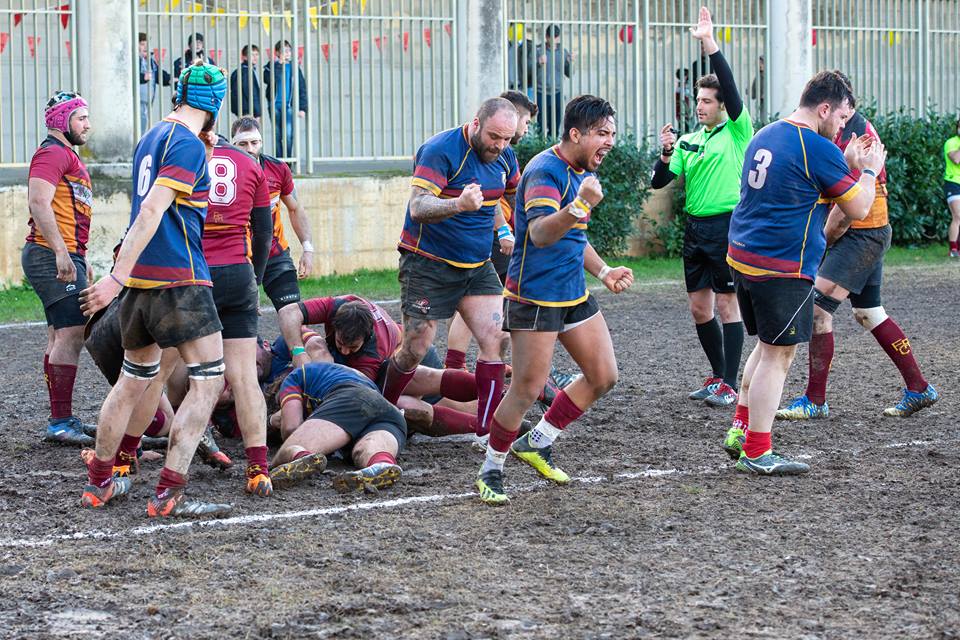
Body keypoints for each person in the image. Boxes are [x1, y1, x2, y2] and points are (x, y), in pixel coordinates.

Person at [78, 60, 233, 517]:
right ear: (216, 105)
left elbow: (143, 212)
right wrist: (113, 279)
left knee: (132, 382)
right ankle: (170, 492)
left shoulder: (152, 137)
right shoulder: (187, 144)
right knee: (209, 381)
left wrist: (124, 276)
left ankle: (100, 483)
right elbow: (151, 213)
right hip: (179, 279)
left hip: (143, 288)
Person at [720, 70, 886, 475]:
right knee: (779, 356)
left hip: (744, 259)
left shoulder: (767, 132)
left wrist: (842, 164)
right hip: (782, 267)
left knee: (764, 348)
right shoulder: (816, 146)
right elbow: (860, 209)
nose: (843, 128)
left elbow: (805, 193)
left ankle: (740, 430)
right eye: (842, 119)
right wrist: (867, 169)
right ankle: (758, 451)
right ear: (825, 108)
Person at [475, 95, 633, 505]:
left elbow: (574, 237)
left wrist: (604, 271)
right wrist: (581, 203)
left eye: (612, 134)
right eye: (602, 133)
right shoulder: (546, 171)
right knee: (526, 389)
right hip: (535, 296)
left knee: (603, 376)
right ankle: (491, 467)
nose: (609, 142)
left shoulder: (578, 172)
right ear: (575, 134)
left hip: (572, 293)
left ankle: (538, 441)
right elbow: (542, 233)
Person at [775, 109, 938, 421]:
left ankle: (815, 400)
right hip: (868, 231)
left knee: (819, 311)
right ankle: (919, 387)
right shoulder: (846, 127)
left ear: (839, 108)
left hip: (861, 234)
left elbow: (847, 208)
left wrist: (818, 243)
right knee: (868, 312)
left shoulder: (854, 133)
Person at [384, 97, 520, 438]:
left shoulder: (505, 156)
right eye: (494, 137)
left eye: (507, 139)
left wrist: (513, 228)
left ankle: (488, 431)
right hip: (428, 262)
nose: (500, 146)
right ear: (475, 124)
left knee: (496, 339)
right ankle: (382, 407)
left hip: (476, 265)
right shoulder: (440, 150)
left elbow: (510, 197)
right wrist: (459, 204)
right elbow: (418, 206)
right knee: (415, 348)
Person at [651, 7, 751, 408]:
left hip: (727, 226)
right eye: (697, 100)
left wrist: (709, 44)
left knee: (728, 304)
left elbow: (729, 83)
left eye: (707, 101)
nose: (699, 106)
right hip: (695, 230)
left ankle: (730, 381)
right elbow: (660, 181)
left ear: (723, 105)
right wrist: (665, 152)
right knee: (698, 307)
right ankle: (716, 376)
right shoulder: (690, 139)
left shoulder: (739, 131)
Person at [277, 294, 489, 436]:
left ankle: (495, 409)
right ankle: (494, 402)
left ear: (365, 338)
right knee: (315, 345)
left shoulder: (372, 352)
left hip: (413, 358)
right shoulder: (341, 305)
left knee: (413, 407)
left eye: (352, 347)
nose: (344, 351)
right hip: (395, 357)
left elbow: (358, 397)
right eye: (340, 343)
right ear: (335, 322)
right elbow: (288, 312)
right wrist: (298, 352)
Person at [443, 90, 536, 371]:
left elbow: (510, 192)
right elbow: (500, 198)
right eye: (527, 121)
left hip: (494, 235)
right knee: (484, 298)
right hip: (486, 237)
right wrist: (506, 231)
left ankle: (488, 360)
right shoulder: (475, 152)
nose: (526, 128)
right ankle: (456, 365)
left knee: (486, 300)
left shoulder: (505, 155)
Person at [202, 135, 274, 495]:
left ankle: (126, 456)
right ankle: (258, 468)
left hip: (195, 275)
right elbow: (264, 233)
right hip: (238, 271)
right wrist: (255, 278)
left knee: (163, 367)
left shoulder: (186, 155)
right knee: (244, 375)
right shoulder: (250, 163)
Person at [23, 91, 95, 446]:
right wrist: (62, 254)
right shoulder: (52, 153)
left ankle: (61, 418)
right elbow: (38, 201)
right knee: (72, 333)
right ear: (61, 121)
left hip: (65, 254)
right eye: (81, 118)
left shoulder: (66, 155)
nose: (87, 125)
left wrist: (79, 257)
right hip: (47, 253)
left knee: (60, 335)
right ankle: (61, 420)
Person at [269, 362, 406, 493]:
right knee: (365, 450)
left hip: (350, 398)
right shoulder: (338, 373)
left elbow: (290, 427)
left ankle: (303, 456)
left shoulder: (293, 378)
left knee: (286, 452)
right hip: (389, 413)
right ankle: (381, 463)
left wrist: (277, 423)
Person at [231, 117, 314, 309]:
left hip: (274, 252)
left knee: (292, 310)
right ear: (232, 144)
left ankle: (295, 341)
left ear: (261, 142)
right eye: (242, 144)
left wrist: (308, 249)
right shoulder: (222, 173)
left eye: (254, 142)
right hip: (236, 255)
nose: (250, 148)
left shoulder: (278, 169)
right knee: (239, 320)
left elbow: (295, 208)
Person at [263, 39, 308, 158]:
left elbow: (301, 88)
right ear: (277, 53)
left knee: (288, 135)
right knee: (277, 135)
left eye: (289, 50)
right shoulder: (271, 66)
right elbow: (267, 79)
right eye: (284, 51)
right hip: (274, 105)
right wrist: (278, 64)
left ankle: (288, 160)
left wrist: (302, 108)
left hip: (289, 107)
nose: (287, 53)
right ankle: (279, 161)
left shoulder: (295, 68)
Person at [536, 25, 573, 138]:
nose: (553, 40)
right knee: (541, 123)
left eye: (555, 37)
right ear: (546, 37)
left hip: (557, 91)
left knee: (555, 123)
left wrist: (569, 62)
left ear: (558, 37)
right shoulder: (538, 50)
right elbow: (529, 71)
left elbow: (569, 74)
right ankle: (539, 143)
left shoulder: (563, 51)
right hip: (541, 90)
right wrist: (538, 63)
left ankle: (553, 142)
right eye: (550, 37)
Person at [229, 44, 262, 119]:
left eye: (257, 54)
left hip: (241, 109)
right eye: (252, 54)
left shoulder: (238, 71)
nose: (255, 57)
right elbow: (251, 93)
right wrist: (257, 112)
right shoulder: (247, 71)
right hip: (248, 110)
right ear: (244, 57)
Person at [138, 33, 162, 131]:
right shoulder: (132, 59)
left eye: (147, 44)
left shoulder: (150, 60)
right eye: (142, 44)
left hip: (147, 101)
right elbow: (130, 75)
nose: (145, 47)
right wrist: (143, 77)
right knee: (139, 128)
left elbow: (160, 75)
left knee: (144, 127)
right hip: (137, 100)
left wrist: (172, 78)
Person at [943, 119, 960, 258]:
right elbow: (956, 159)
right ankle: (953, 249)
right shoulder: (951, 142)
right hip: (953, 183)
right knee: (958, 216)